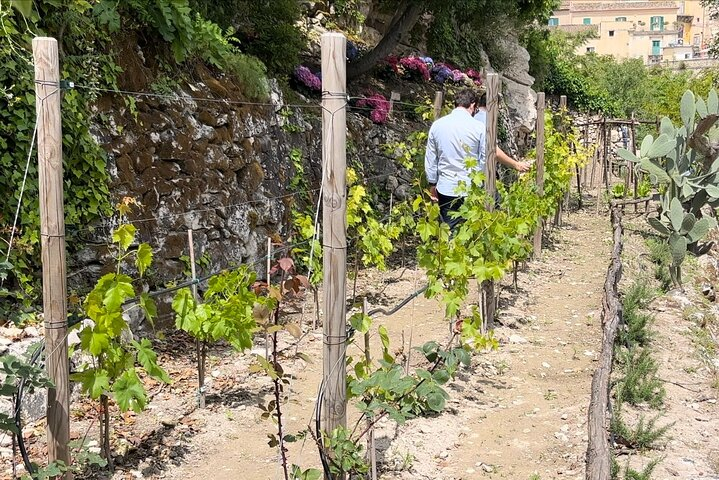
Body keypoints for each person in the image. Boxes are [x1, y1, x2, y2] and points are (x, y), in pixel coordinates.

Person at [424, 88, 530, 231]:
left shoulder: (437, 125)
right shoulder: (479, 127)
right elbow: (485, 157)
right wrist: (479, 181)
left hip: (446, 187)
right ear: (473, 105)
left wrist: (432, 183)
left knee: (448, 231)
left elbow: (431, 158)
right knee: (472, 230)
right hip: (471, 188)